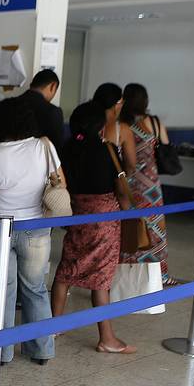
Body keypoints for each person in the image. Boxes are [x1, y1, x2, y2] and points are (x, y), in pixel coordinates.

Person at [0, 96, 62, 365]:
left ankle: (1, 352)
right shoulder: (43, 147)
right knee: (35, 289)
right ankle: (41, 350)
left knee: (4, 288)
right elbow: (60, 183)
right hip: (35, 227)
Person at [52, 101, 136, 354]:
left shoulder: (66, 149)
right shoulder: (106, 150)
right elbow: (120, 188)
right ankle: (107, 338)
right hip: (104, 220)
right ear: (100, 126)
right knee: (101, 278)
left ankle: (54, 327)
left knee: (67, 268)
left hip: (76, 214)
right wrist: (130, 213)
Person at [116, 83, 174, 285]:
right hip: (151, 186)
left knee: (129, 228)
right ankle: (161, 276)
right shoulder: (155, 123)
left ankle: (124, 275)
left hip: (127, 183)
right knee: (155, 230)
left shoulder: (120, 125)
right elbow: (166, 146)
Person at [16, 69, 66, 150]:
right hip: (39, 161)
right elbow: (56, 148)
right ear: (53, 86)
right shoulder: (52, 112)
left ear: (31, 85)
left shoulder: (8, 105)